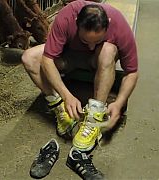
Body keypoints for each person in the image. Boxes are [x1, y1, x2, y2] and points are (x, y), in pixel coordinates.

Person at [24, 0, 138, 179]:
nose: (91, 45)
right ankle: (61, 111)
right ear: (76, 22)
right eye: (86, 40)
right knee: (29, 57)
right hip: (69, 59)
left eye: (97, 40)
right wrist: (66, 96)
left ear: (107, 23)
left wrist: (119, 102)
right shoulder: (66, 17)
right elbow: (47, 59)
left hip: (97, 61)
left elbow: (132, 72)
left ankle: (94, 117)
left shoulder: (118, 24)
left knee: (107, 50)